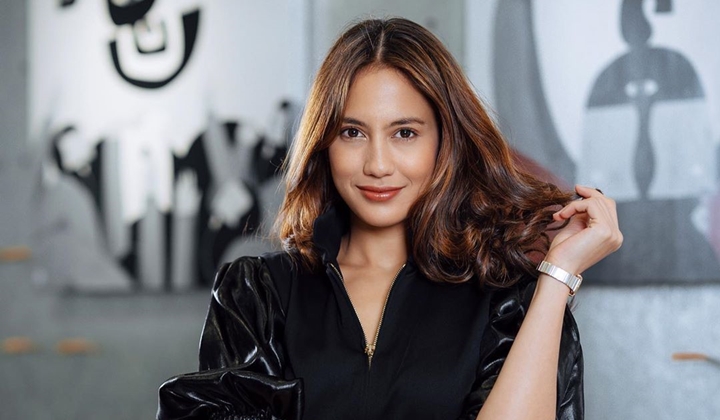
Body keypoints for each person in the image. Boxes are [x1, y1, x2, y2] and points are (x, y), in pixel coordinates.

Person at [157, 17, 622, 420]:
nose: (378, 164)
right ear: (324, 142)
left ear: (444, 141)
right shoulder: (257, 297)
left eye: (405, 133)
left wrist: (556, 279)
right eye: (352, 132)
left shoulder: (508, 303)